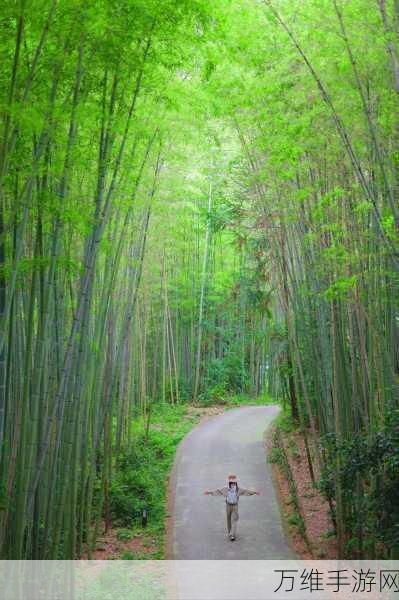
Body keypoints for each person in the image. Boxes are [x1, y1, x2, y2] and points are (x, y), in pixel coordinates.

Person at [204, 474, 260, 541]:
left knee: (234, 519)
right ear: (229, 482)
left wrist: (254, 492)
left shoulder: (239, 489)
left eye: (234, 482)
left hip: (235, 506)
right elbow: (218, 491)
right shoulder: (225, 489)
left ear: (236, 482)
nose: (233, 483)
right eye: (231, 482)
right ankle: (229, 532)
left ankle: (232, 534)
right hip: (228, 505)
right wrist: (209, 492)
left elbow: (246, 491)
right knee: (228, 519)